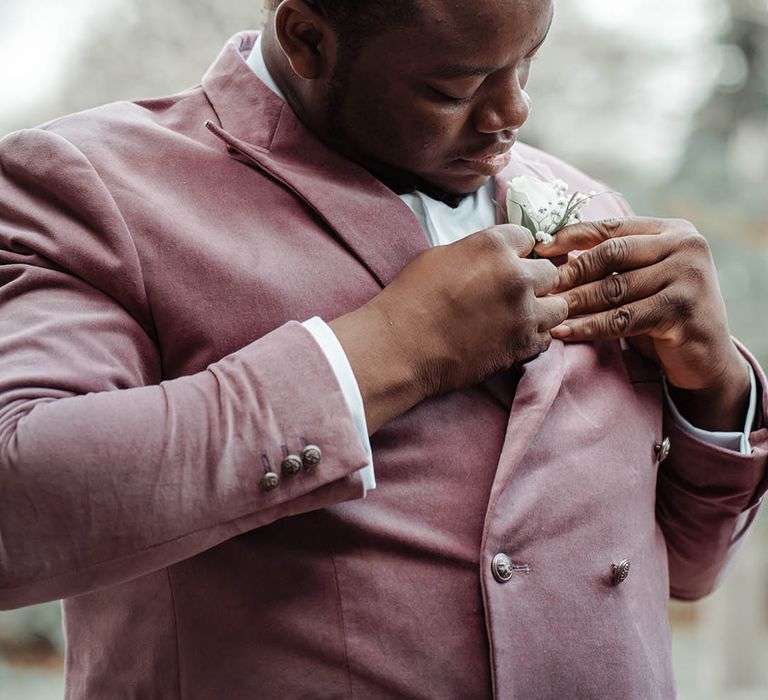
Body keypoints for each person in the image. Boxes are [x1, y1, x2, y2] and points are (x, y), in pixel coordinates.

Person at [0, 0, 765, 697]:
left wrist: (717, 388)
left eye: (527, 60)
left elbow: (689, 571)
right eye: (452, 86)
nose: (513, 112)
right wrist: (393, 350)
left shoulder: (596, 207)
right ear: (307, 38)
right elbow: (18, 504)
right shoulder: (94, 186)